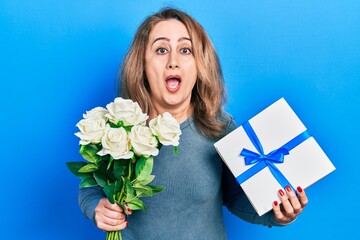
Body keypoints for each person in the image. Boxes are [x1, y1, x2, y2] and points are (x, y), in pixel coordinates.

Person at [78, 7, 308, 239]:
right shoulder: (118, 129)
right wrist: (97, 207)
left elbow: (235, 197)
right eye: (161, 50)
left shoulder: (220, 128)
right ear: (143, 65)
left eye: (185, 50)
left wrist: (276, 214)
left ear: (199, 65)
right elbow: (91, 188)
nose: (173, 61)